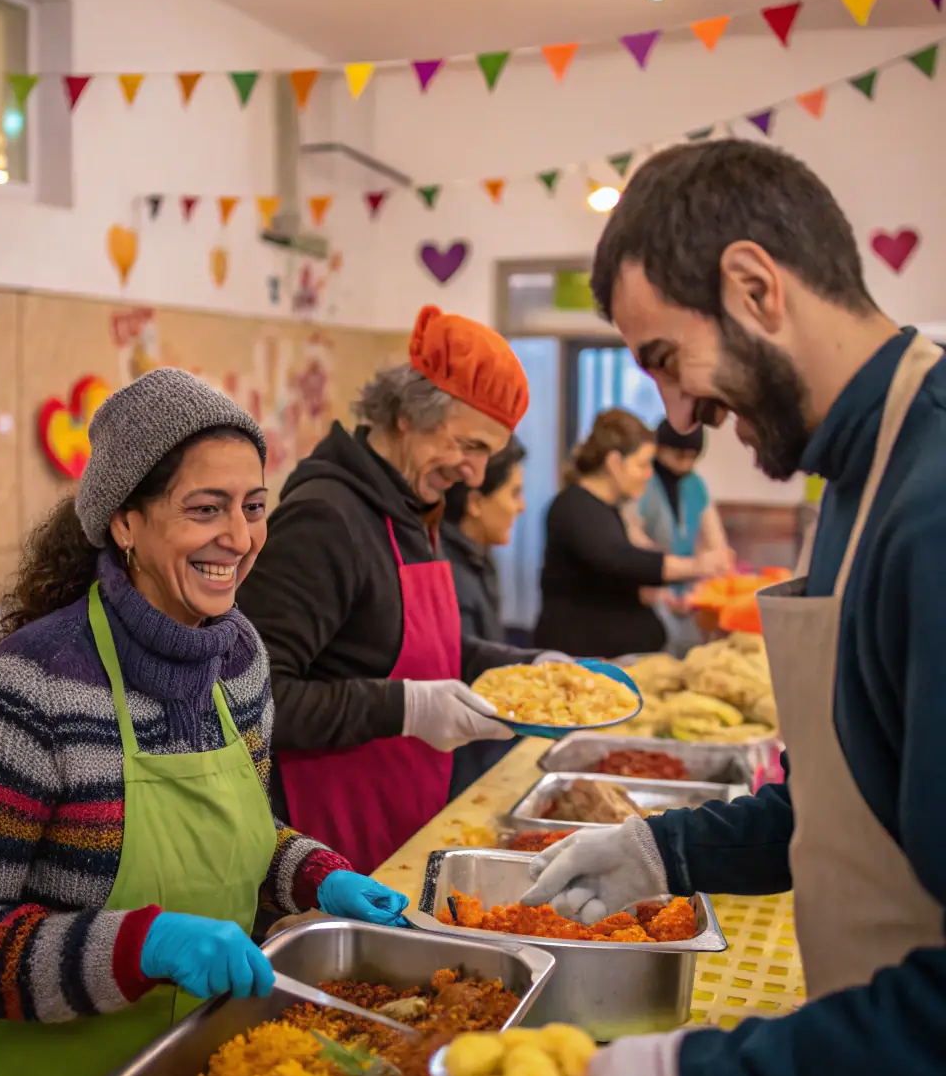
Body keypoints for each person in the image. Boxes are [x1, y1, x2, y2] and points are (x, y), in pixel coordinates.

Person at [516, 139, 946, 1076]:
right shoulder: (862, 473)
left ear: (756, 286)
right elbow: (862, 800)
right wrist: (662, 849)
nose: (671, 414)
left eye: (664, 357)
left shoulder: (935, 508)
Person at [0, 368, 408, 1076]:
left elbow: (245, 834)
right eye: (204, 508)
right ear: (125, 521)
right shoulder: (29, 689)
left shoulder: (243, 658)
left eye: (253, 506)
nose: (241, 536)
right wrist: (140, 944)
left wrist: (316, 875)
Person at [238, 306, 548, 874]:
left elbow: (429, 648)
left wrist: (534, 668)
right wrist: (403, 708)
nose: (476, 475)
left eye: (488, 454)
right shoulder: (325, 519)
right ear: (408, 415)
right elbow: (252, 699)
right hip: (319, 848)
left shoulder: (412, 507)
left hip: (399, 825)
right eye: (469, 446)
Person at [534, 409, 727, 659]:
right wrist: (698, 566)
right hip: (585, 663)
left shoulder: (606, 509)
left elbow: (612, 578)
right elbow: (620, 559)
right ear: (615, 463)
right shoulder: (574, 506)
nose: (649, 474)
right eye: (643, 464)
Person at [441, 436, 527, 798]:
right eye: (514, 493)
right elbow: (469, 679)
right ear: (475, 503)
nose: (521, 507)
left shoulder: (480, 557)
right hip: (461, 770)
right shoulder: (448, 573)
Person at [636, 419, 734, 655]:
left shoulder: (695, 485)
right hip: (650, 593)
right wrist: (663, 586)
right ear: (661, 448)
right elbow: (633, 544)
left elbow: (716, 542)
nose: (686, 464)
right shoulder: (642, 483)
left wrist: (705, 578)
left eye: (692, 457)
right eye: (679, 455)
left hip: (690, 596)